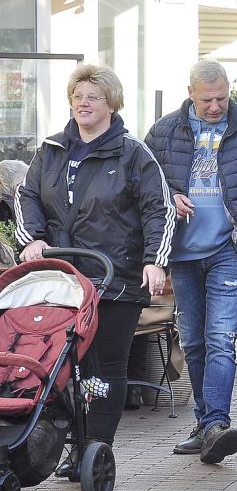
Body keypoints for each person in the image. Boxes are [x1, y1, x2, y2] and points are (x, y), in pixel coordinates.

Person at [15, 63, 174, 476]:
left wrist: (155, 260)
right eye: (77, 96)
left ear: (111, 103)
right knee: (62, 364)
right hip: (63, 279)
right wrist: (31, 238)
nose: (83, 103)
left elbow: (159, 208)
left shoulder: (133, 154)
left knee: (105, 365)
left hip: (114, 277)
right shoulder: (50, 149)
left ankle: (95, 446)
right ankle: (71, 446)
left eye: (93, 97)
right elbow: (27, 195)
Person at [144, 59, 237, 464]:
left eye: (222, 98)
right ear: (191, 93)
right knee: (192, 341)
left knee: (221, 338)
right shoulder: (164, 131)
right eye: (207, 100)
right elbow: (145, 183)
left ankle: (216, 424)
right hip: (183, 253)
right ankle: (206, 424)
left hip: (230, 249)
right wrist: (169, 197)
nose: (215, 106)